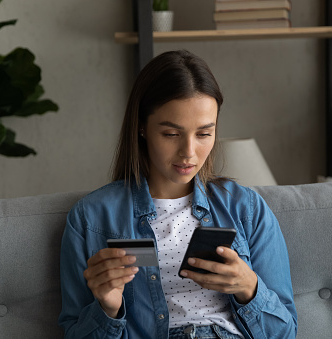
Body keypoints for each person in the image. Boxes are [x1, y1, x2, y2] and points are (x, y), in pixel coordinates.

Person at [59, 50, 297, 339]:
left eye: (204, 134)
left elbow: (285, 332)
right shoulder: (91, 217)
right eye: (171, 134)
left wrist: (249, 288)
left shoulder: (246, 209)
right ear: (142, 128)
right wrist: (108, 308)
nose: (188, 152)